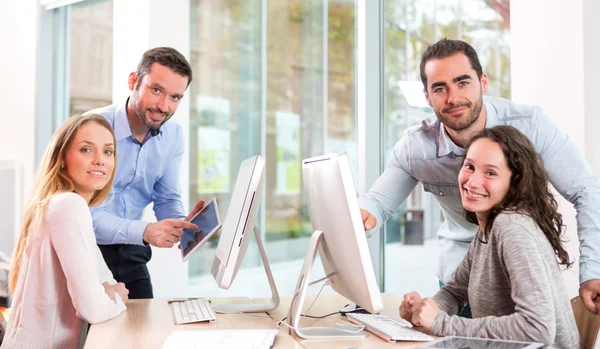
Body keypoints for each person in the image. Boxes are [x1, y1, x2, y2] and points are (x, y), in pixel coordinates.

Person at [359, 38, 600, 314]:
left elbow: (586, 190)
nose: (453, 98)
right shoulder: (417, 146)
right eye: (440, 88)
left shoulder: (530, 126)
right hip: (458, 280)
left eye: (463, 82)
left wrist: (593, 269)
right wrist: (362, 217)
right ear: (427, 97)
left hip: (522, 276)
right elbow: (376, 202)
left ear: (483, 82)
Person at [399, 126, 580, 347]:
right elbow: (455, 292)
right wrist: (423, 310)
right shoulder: (489, 227)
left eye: (491, 173)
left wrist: (440, 323)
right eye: (469, 167)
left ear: (516, 183)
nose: (472, 182)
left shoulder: (512, 228)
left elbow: (538, 329)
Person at [1, 115, 129, 349]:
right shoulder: (68, 206)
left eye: (108, 152)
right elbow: (93, 307)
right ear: (61, 159)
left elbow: (104, 279)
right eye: (86, 150)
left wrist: (107, 293)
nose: (100, 160)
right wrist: (116, 299)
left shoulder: (61, 205)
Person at [87, 47, 204, 299]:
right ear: (133, 81)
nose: (164, 106)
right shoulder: (92, 128)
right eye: (156, 90)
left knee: (143, 331)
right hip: (86, 254)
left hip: (132, 252)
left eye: (175, 97)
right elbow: (85, 215)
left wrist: (180, 225)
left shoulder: (173, 135)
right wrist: (146, 231)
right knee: (94, 338)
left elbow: (166, 196)